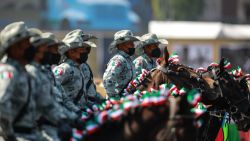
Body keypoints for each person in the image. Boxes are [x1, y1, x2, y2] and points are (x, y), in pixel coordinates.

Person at [0, 22, 46, 141]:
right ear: (15, 47)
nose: (31, 46)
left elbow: (45, 102)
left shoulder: (25, 72)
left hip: (31, 134)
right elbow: (2, 104)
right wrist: (9, 134)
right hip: (17, 136)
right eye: (26, 43)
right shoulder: (7, 72)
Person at [53, 33, 96, 110]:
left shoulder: (79, 68)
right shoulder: (64, 69)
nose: (85, 52)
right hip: (68, 114)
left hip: (80, 113)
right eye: (82, 49)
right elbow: (52, 87)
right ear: (71, 52)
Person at [64, 29, 104, 106]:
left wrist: (103, 101)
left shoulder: (83, 66)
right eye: (82, 47)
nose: (85, 50)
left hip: (86, 108)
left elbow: (90, 90)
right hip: (73, 111)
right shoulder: (65, 68)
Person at [103, 30, 139, 99]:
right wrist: (115, 99)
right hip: (117, 102)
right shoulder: (118, 60)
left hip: (128, 99)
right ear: (121, 45)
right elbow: (107, 81)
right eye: (130, 43)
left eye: (133, 43)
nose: (133, 45)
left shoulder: (128, 59)